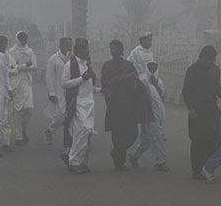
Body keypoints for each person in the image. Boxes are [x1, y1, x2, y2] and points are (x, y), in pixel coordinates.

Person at [100, 40, 151, 171]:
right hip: (114, 105)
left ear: (121, 50)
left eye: (115, 48)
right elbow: (105, 85)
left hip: (128, 104)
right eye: (111, 48)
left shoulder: (128, 66)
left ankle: (117, 152)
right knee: (117, 134)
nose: (113, 51)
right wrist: (109, 94)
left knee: (132, 132)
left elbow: (135, 83)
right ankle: (119, 162)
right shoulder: (107, 66)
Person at [182, 45, 221, 180]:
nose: (211, 62)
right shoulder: (192, 70)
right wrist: (191, 108)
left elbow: (217, 87)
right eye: (208, 60)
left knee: (212, 140)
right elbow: (186, 91)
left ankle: (206, 167)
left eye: (213, 60)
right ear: (202, 58)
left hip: (212, 110)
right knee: (198, 141)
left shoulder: (214, 70)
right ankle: (196, 170)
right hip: (197, 112)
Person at [60, 39, 96, 174]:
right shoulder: (70, 64)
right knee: (81, 131)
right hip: (77, 103)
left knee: (87, 133)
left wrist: (97, 89)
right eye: (86, 48)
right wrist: (82, 78)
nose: (88, 51)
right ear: (80, 50)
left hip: (89, 103)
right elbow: (64, 84)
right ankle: (74, 162)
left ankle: (81, 161)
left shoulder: (86, 65)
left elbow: (88, 85)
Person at [129, 62, 169, 172]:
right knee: (157, 138)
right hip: (148, 113)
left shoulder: (158, 80)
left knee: (146, 141)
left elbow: (162, 96)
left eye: (154, 66)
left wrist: (155, 84)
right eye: (150, 66)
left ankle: (134, 157)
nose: (152, 68)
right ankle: (161, 161)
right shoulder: (142, 80)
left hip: (158, 112)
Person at [7, 31, 37, 145]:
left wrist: (20, 66)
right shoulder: (11, 52)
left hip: (27, 81)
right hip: (15, 82)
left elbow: (34, 65)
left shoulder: (30, 51)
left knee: (29, 108)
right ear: (17, 39)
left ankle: (23, 129)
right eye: (21, 38)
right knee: (18, 110)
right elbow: (13, 68)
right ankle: (19, 136)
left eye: (25, 38)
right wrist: (25, 65)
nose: (24, 40)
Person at [43, 37, 73, 147]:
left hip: (70, 91)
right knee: (60, 116)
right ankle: (50, 131)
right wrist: (51, 92)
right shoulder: (54, 59)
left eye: (70, 45)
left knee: (70, 116)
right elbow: (49, 76)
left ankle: (71, 141)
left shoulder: (72, 59)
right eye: (67, 45)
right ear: (60, 46)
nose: (69, 47)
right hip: (58, 91)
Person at [0, 36, 15, 153]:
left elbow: (11, 70)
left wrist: (9, 89)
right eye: (1, 43)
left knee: (4, 116)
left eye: (5, 43)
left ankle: (6, 142)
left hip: (4, 89)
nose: (3, 46)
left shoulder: (7, 56)